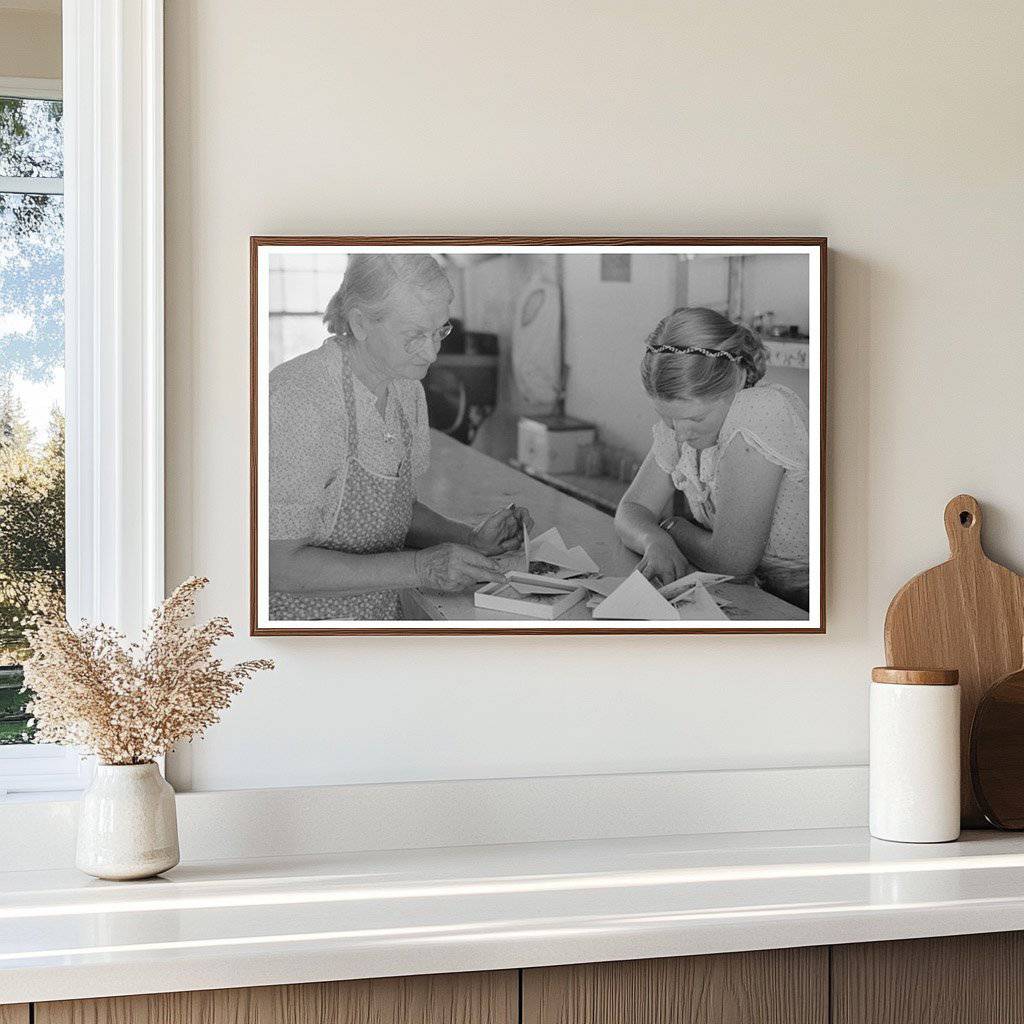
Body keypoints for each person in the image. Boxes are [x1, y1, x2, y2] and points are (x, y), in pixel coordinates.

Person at [268, 254, 532, 621]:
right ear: (360, 322)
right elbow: (276, 565)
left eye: (440, 330)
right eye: (415, 336)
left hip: (377, 618)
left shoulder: (405, 387)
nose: (433, 352)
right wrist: (420, 568)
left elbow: (392, 510)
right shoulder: (300, 400)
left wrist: (467, 538)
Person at [614, 306, 810, 609]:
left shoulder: (759, 412)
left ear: (737, 379)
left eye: (696, 419)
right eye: (668, 419)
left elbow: (732, 564)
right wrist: (653, 540)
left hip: (807, 599)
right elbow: (632, 508)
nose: (680, 434)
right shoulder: (682, 421)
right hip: (752, 593)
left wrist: (672, 527)